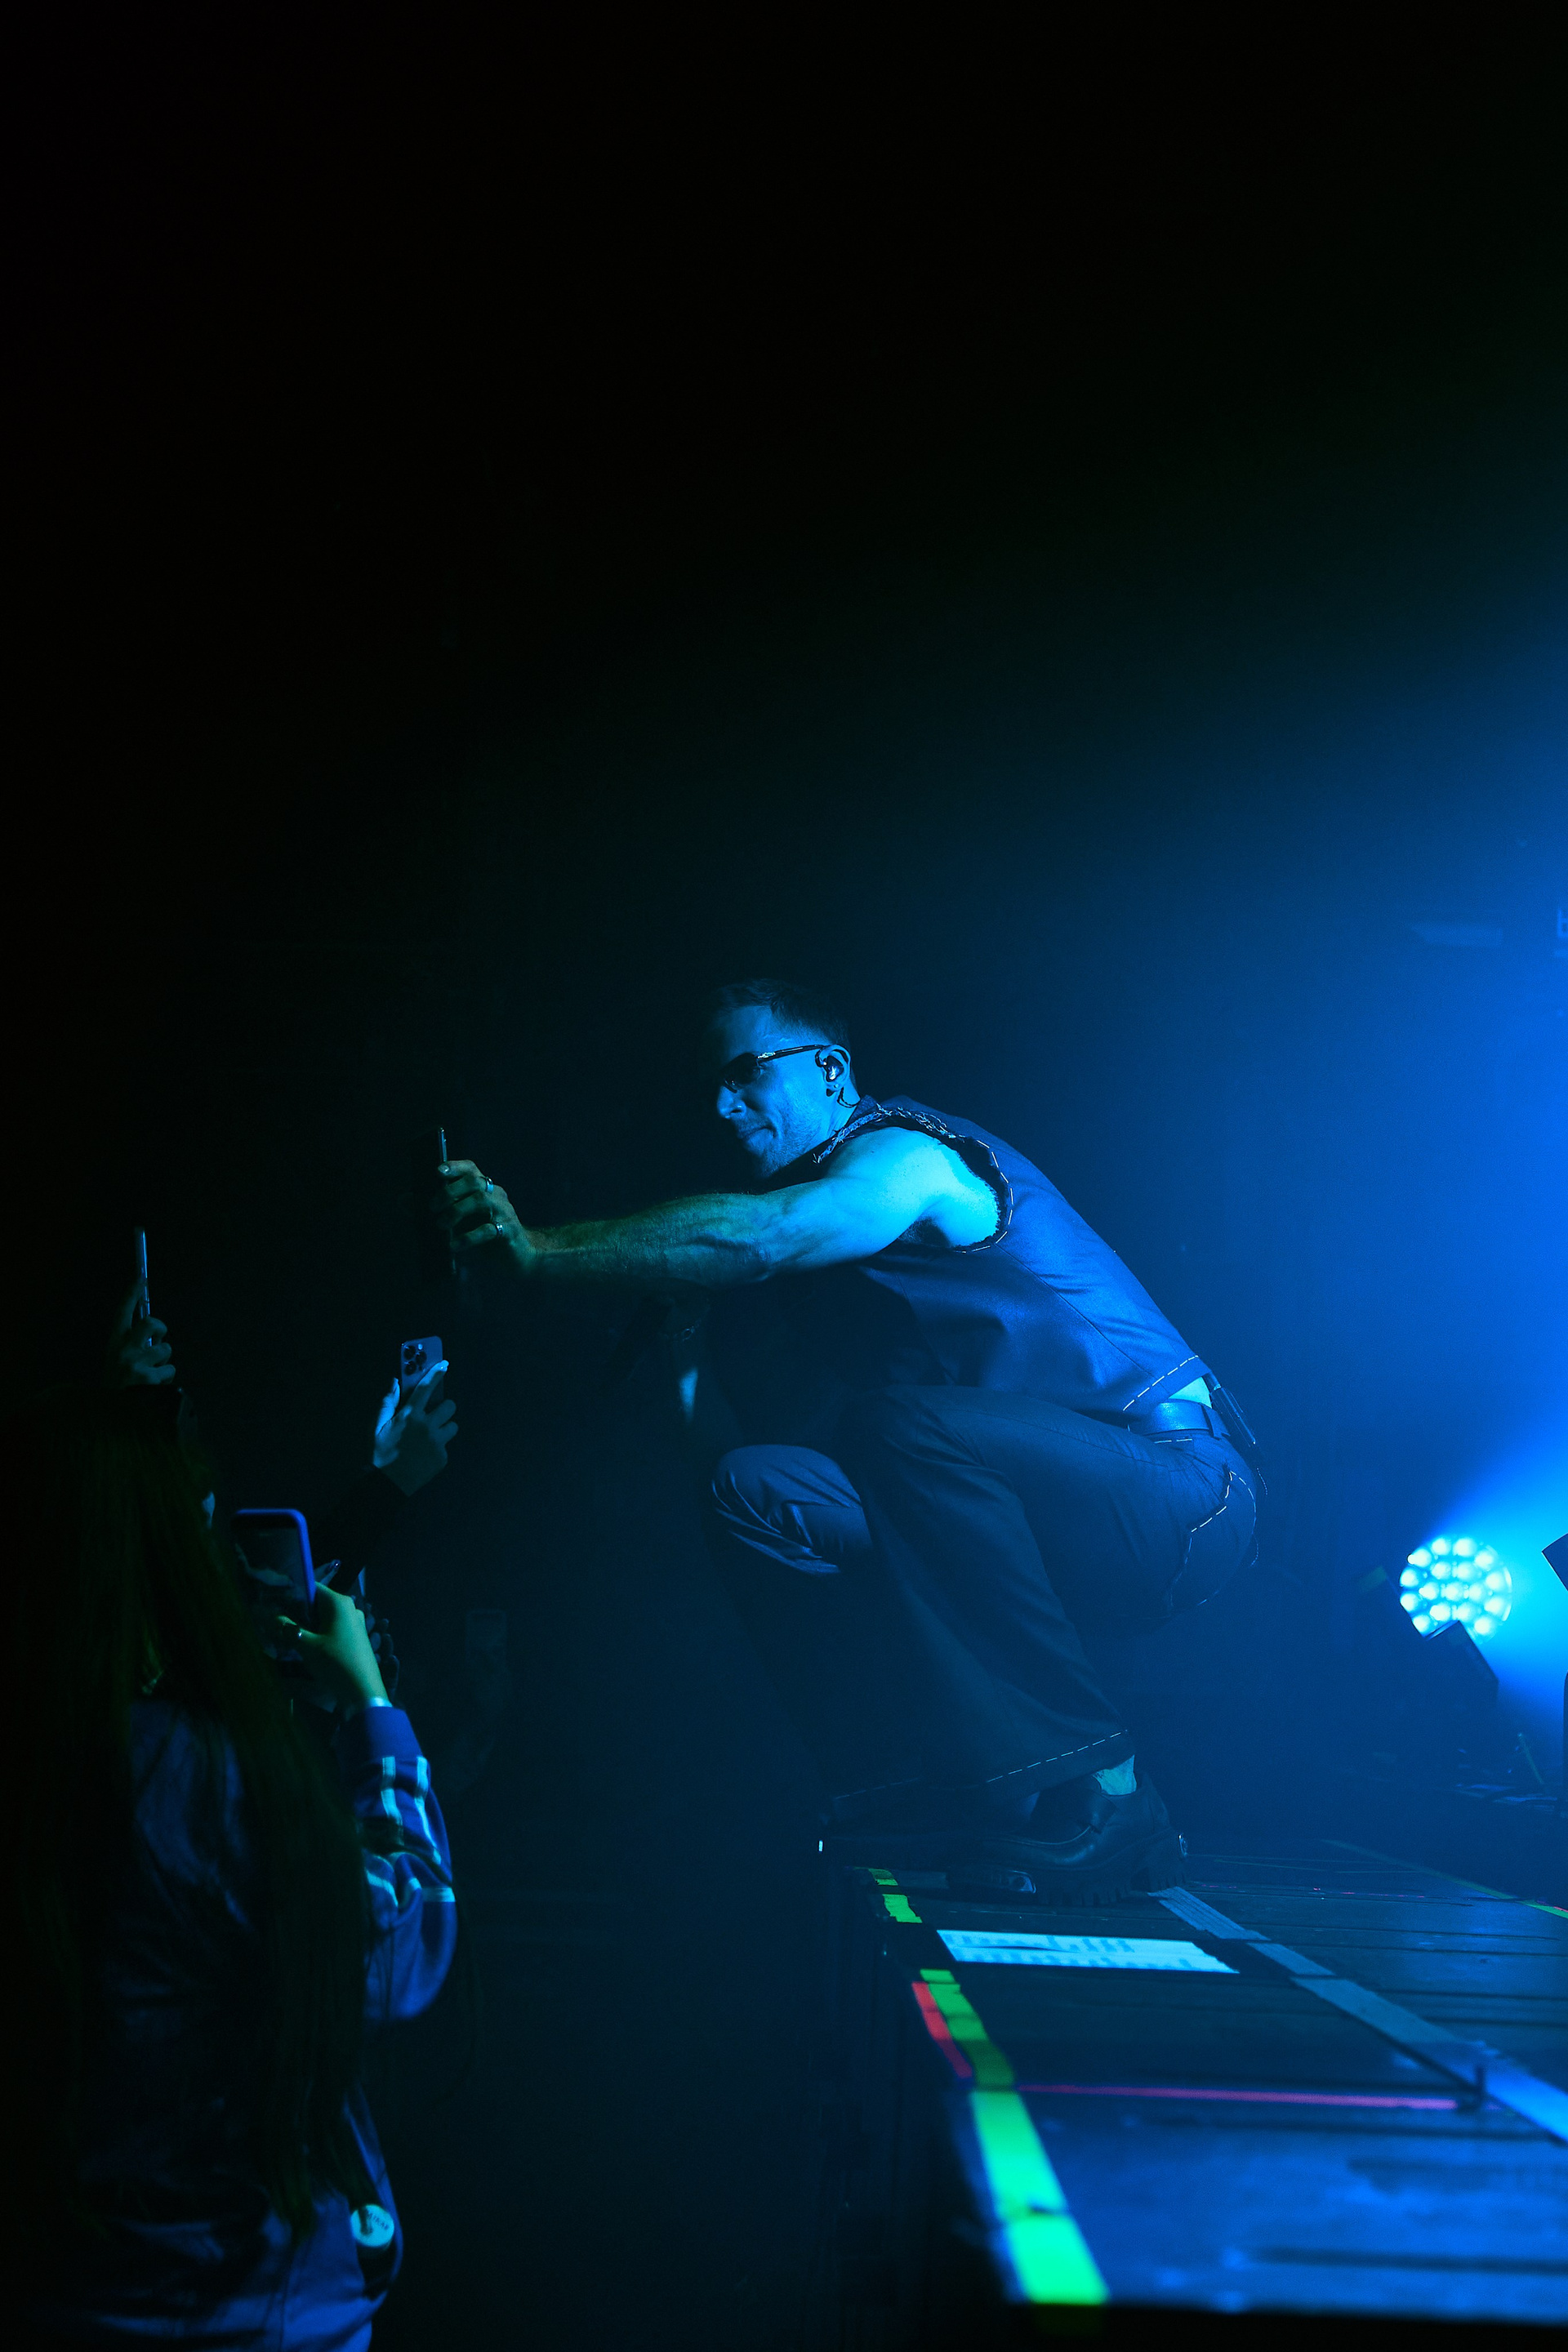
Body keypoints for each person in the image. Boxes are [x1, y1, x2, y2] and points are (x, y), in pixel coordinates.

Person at [435, 978, 1258, 1900]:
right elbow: (739, 1483)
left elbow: (765, 1237)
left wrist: (536, 1252)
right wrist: (684, 1331)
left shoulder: (903, 1158)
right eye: (710, 1087)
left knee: (900, 1428)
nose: (722, 1105)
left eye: (747, 1073)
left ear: (829, 1070)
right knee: (756, 1486)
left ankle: (1111, 1790)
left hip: (1178, 1491)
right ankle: (911, 1778)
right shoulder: (841, 1287)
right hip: (1034, 1512)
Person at [8, 1383, 457, 2346]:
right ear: (162, 1555)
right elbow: (397, 1947)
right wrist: (372, 1712)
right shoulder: (191, 1777)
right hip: (244, 2308)